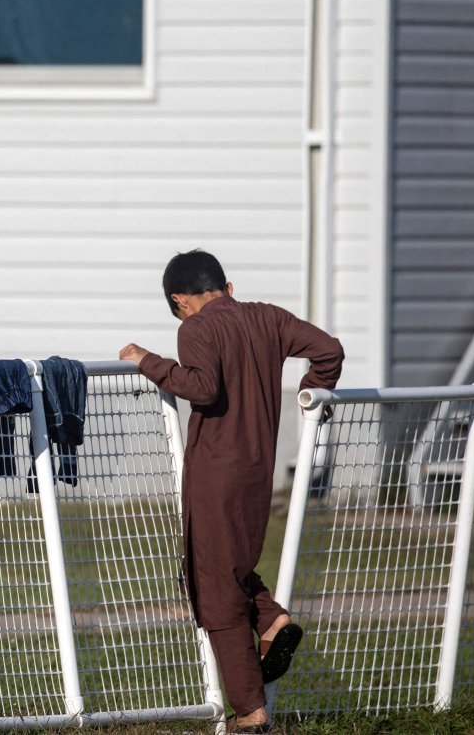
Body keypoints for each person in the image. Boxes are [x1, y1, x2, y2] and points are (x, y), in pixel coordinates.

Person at [119, 249, 343, 734]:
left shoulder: (194, 329)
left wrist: (146, 361)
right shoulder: (268, 318)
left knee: (215, 591)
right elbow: (329, 350)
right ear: (228, 287)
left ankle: (250, 714)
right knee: (232, 569)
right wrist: (312, 396)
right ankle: (270, 621)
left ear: (180, 301)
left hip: (215, 475)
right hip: (258, 472)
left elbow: (202, 388)